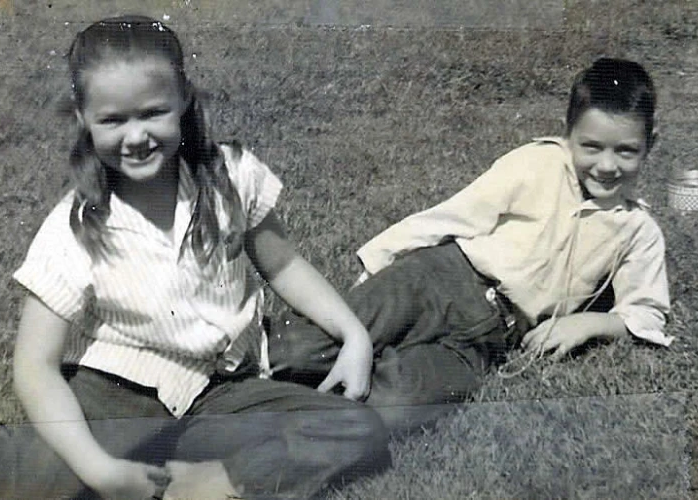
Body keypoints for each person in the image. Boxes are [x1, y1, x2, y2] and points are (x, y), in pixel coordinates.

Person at [0, 15, 391, 500]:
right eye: (113, 120)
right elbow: (34, 367)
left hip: (221, 391)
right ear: (83, 120)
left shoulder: (231, 176)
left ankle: (213, 481)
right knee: (21, 486)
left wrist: (353, 334)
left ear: (183, 101)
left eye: (152, 112)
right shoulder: (72, 229)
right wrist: (101, 471)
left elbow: (283, 266)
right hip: (116, 392)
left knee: (354, 428)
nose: (135, 137)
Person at [269, 57, 673, 433]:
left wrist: (586, 323)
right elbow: (453, 215)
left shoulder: (638, 229)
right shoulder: (537, 165)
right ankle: (255, 373)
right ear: (567, 133)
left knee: (397, 403)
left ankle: (311, 405)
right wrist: (379, 261)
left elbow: (646, 312)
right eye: (591, 146)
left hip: (489, 338)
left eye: (626, 151)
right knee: (296, 348)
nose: (606, 165)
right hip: (437, 279)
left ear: (650, 144)